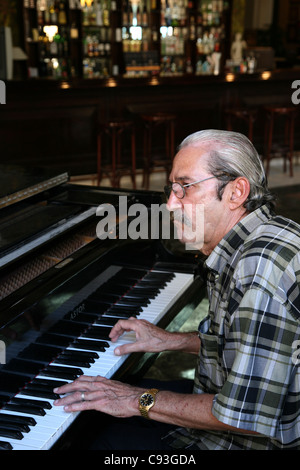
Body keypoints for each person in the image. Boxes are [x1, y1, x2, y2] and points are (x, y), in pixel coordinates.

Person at [53, 130, 300, 450]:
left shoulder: (259, 272)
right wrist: (170, 340)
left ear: (236, 192)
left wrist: (137, 401)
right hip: (218, 401)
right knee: (98, 410)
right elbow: (251, 347)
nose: (170, 203)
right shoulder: (262, 237)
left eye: (185, 187)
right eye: (171, 188)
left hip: (242, 442)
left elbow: (245, 416)